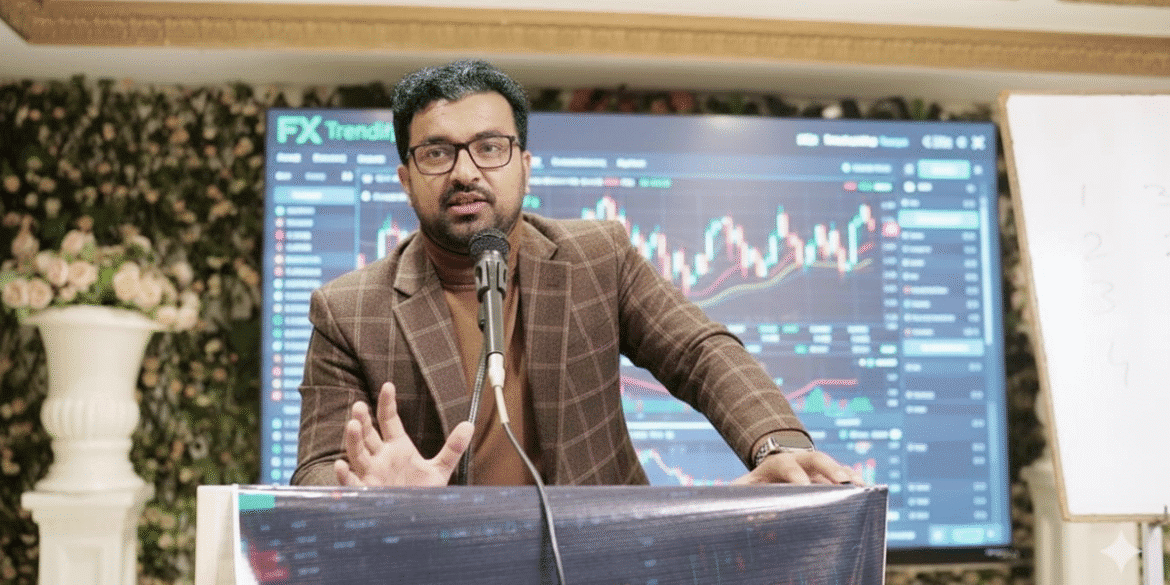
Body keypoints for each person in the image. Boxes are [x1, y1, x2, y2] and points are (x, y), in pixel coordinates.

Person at [292, 59, 863, 488]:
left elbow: (699, 352)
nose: (465, 171)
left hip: (604, 560)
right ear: (405, 177)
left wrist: (775, 445)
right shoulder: (347, 310)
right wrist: (369, 493)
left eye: (490, 147)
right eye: (437, 153)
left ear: (524, 164)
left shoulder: (597, 255)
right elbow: (317, 470)